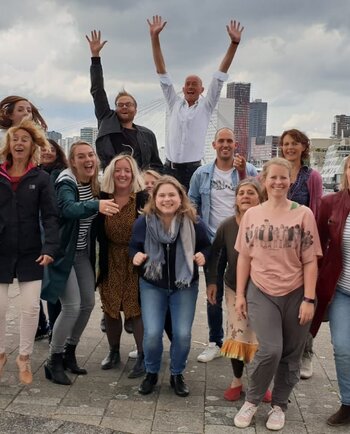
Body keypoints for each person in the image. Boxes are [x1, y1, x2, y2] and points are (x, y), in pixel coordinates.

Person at [233, 158, 321, 431]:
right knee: (270, 350)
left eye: (284, 178)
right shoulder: (252, 215)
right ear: (264, 180)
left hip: (296, 292)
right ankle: (252, 400)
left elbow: (310, 260)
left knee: (291, 354)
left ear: (290, 181)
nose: (278, 182)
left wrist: (308, 298)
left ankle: (279, 405)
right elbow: (244, 258)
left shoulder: (303, 213)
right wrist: (239, 295)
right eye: (273, 178)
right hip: (261, 290)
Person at [42, 141, 119, 385]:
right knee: (72, 307)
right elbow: (67, 209)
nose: (88, 160)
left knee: (87, 303)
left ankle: (69, 352)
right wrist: (97, 205)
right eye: (81, 156)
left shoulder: (94, 182)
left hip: (83, 253)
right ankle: (53, 359)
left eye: (91, 155)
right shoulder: (66, 181)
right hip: (63, 254)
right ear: (72, 161)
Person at [130, 176, 211, 397]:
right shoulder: (144, 222)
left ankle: (177, 374)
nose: (167, 199)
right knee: (153, 333)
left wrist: (203, 254)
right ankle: (151, 373)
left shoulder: (193, 221)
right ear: (154, 198)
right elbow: (133, 247)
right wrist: (136, 255)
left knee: (183, 334)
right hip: (152, 285)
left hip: (184, 286)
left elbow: (207, 245)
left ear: (180, 197)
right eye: (162, 195)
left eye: (171, 195)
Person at [147, 15, 244, 190]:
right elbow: (162, 73)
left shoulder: (206, 107)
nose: (190, 87)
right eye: (187, 84)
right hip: (169, 169)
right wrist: (154, 37)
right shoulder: (174, 104)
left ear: (202, 90)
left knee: (193, 210)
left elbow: (219, 76)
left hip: (194, 170)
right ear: (183, 89)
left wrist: (234, 44)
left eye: (195, 84)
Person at [188, 128, 257, 363]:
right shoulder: (202, 173)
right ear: (214, 145)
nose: (225, 145)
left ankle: (249, 338)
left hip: (244, 237)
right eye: (221, 141)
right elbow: (192, 201)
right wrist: (199, 229)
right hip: (214, 238)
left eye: (229, 141)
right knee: (213, 290)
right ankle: (215, 341)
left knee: (247, 291)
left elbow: (258, 197)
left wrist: (241, 172)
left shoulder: (249, 170)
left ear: (235, 145)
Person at [0, 120, 59, 384]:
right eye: (15, 139)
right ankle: (0, 353)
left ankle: (23, 357)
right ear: (9, 145)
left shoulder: (41, 178)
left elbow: (50, 216)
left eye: (25, 139)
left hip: (32, 251)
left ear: (32, 145)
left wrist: (50, 248)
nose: (20, 143)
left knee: (31, 308)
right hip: (1, 251)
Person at [206, 178, 271, 403]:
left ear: (261, 197)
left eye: (251, 192)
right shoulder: (227, 225)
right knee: (238, 334)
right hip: (235, 287)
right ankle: (236, 380)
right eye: (241, 192)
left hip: (265, 289)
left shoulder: (270, 221)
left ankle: (261, 383)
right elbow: (215, 255)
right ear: (235, 199)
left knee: (262, 337)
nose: (245, 196)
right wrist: (212, 282)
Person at [97, 155, 148, 378]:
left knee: (135, 307)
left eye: (127, 170)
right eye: (118, 170)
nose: (123, 174)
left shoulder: (142, 198)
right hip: (110, 258)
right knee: (110, 307)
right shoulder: (103, 197)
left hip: (135, 259)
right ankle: (114, 351)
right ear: (111, 173)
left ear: (133, 173)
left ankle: (144, 356)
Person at [86, 30, 163, 172]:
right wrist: (95, 57)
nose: (124, 107)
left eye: (129, 104)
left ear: (136, 109)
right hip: (113, 182)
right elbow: (97, 91)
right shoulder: (106, 120)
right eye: (120, 105)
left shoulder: (147, 135)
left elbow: (156, 165)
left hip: (139, 186)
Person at [279, 129, 323, 380]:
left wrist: (313, 251)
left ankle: (306, 351)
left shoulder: (312, 177)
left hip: (302, 246)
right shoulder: (277, 173)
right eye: (285, 144)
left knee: (306, 299)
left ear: (304, 147)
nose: (289, 147)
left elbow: (315, 211)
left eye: (294, 143)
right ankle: (284, 351)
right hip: (278, 248)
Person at [310, 155, 350, 427]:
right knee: (343, 348)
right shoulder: (330, 203)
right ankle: (348, 403)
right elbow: (317, 246)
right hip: (342, 290)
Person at [38, 139, 69, 340]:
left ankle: (54, 330)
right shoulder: (34, 172)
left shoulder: (60, 174)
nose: (47, 152)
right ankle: (44, 326)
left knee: (52, 285)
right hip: (34, 231)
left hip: (52, 232)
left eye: (51, 149)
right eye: (42, 149)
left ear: (58, 152)